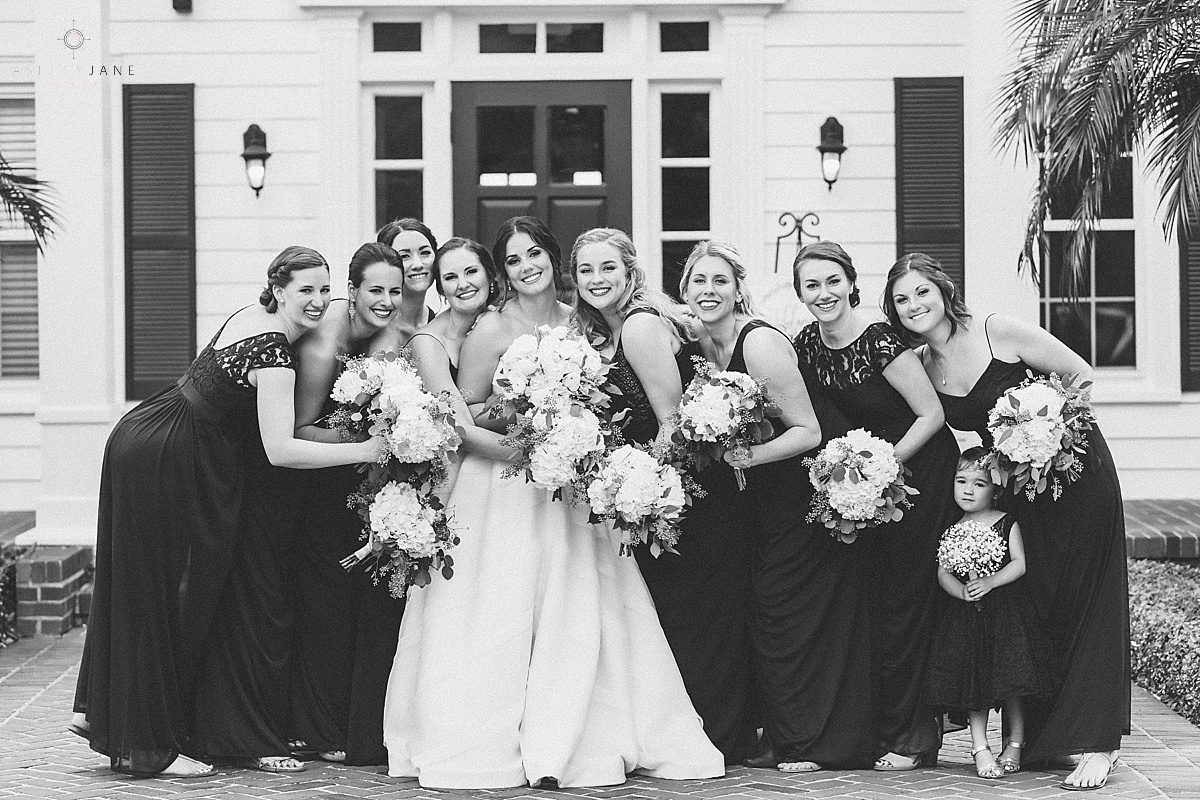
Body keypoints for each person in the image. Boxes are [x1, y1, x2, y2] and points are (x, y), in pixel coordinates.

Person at [382, 216, 724, 788]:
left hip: (571, 488)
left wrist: (578, 444)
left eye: (534, 254)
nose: (526, 267)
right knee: (501, 610)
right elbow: (465, 417)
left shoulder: (584, 324)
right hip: (504, 490)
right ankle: (494, 734)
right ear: (503, 272)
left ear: (552, 258)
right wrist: (528, 429)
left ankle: (579, 727)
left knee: (580, 607)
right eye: (513, 260)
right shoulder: (491, 330)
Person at [71, 246, 381, 778]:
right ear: (278, 289)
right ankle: (151, 742)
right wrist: (366, 449)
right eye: (304, 289)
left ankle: (110, 714)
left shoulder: (250, 316)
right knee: (174, 594)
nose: (316, 300)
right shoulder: (277, 356)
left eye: (323, 289)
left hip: (147, 435)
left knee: (150, 587)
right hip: (170, 457)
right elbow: (280, 449)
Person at [885, 253, 1129, 791]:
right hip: (1021, 493)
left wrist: (1049, 430)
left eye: (922, 292)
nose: (914, 305)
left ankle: (1099, 742)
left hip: (1075, 472)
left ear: (945, 291)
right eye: (902, 300)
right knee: (1042, 602)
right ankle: (1051, 738)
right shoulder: (922, 367)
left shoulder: (998, 331)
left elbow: (1079, 374)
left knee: (1089, 597)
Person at [682, 241, 875, 772]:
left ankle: (813, 741)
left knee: (784, 614)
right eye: (698, 282)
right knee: (766, 614)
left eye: (720, 281)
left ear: (738, 287)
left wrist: (745, 455)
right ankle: (783, 732)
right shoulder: (704, 343)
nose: (708, 291)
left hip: (797, 493)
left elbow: (809, 430)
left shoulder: (760, 343)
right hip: (759, 503)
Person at [572, 229, 752, 762]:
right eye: (586, 271)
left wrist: (641, 486)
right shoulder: (605, 329)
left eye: (608, 268)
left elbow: (673, 421)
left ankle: (720, 733)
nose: (597, 280)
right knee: (677, 614)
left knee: (697, 614)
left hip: (686, 489)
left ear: (631, 273)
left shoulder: (641, 326)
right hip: (663, 486)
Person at [792, 241, 957, 771]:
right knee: (870, 606)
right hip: (859, 492)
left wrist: (878, 468)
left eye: (832, 281)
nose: (824, 294)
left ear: (850, 283)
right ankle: (865, 728)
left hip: (917, 479)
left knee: (906, 606)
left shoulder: (881, 343)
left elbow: (931, 416)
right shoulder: (805, 346)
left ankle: (913, 737)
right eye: (811, 285)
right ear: (799, 293)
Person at [287, 242, 406, 765]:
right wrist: (370, 434)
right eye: (374, 290)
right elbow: (301, 428)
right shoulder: (322, 347)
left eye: (394, 291)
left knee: (348, 606)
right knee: (324, 605)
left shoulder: (381, 333)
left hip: (349, 482)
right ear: (352, 291)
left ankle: (341, 720)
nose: (385, 301)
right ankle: (314, 727)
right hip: (310, 485)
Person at [923, 447, 1052, 779]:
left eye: (979, 484)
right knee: (973, 684)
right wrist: (962, 590)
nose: (968, 490)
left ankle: (1016, 743)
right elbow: (943, 572)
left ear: (995, 489)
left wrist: (991, 581)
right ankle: (980, 747)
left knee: (1010, 683)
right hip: (967, 618)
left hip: (1003, 616)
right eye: (961, 481)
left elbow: (1020, 564)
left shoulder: (1005, 522)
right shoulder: (952, 528)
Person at [375, 217, 438, 349]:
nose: (418, 264)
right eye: (404, 256)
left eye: (425, 253)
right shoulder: (372, 327)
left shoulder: (440, 326)